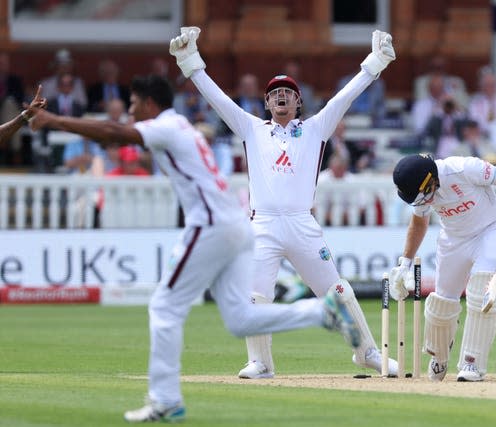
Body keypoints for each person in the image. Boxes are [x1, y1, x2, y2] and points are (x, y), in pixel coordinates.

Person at [29, 73, 361, 423]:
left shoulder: (166, 127)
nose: (129, 111)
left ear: (149, 104)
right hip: (235, 224)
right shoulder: (181, 126)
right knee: (240, 318)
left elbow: (114, 134)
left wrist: (53, 121)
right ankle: (321, 313)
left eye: (133, 104)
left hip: (211, 226)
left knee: (164, 306)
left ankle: (165, 400)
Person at [170, 26, 400, 379]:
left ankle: (367, 351)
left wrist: (376, 61)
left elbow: (344, 98)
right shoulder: (251, 129)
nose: (281, 97)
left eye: (287, 93)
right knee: (256, 293)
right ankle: (261, 363)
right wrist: (190, 61)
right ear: (266, 103)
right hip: (262, 225)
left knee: (336, 289)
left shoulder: (315, 128)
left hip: (301, 224)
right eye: (274, 93)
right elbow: (218, 99)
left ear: (298, 103)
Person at [388, 153, 496, 382]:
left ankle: (472, 362)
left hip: (492, 230)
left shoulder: (464, 168)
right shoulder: (422, 189)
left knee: (482, 292)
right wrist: (405, 263)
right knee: (441, 304)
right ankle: (439, 355)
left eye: (424, 195)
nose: (424, 202)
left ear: (431, 180)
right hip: (453, 239)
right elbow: (419, 222)